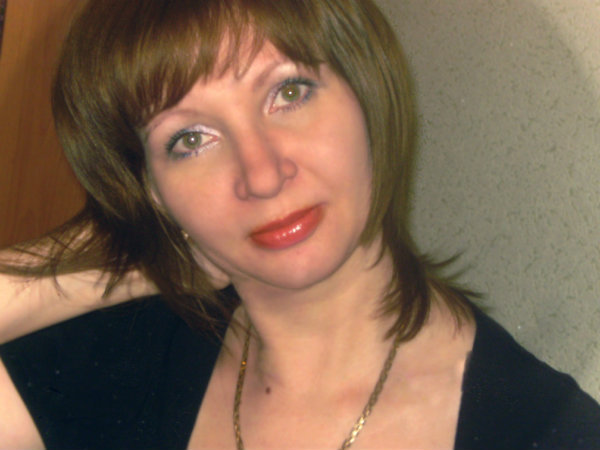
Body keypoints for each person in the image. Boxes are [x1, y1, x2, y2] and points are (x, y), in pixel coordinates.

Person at [0, 0, 599, 449]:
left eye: (289, 91)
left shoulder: (544, 430)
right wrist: (118, 260)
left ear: (367, 91)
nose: (261, 175)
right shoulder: (123, 354)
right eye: (190, 140)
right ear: (152, 189)